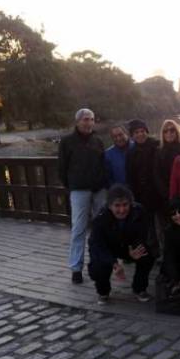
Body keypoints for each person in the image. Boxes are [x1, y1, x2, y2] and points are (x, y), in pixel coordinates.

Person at [58, 108, 107, 284]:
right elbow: (62, 169)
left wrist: (101, 182)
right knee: (78, 229)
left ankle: (101, 261)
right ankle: (76, 268)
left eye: (91, 119)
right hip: (79, 190)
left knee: (101, 227)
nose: (89, 123)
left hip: (99, 189)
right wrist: (72, 185)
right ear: (77, 122)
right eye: (85, 119)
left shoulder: (98, 141)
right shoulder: (67, 142)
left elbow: (103, 164)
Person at [87, 184, 157, 304]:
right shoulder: (100, 218)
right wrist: (114, 263)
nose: (122, 210)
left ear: (131, 203)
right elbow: (97, 246)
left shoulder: (139, 211)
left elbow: (143, 234)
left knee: (147, 255)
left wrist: (134, 250)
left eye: (125, 205)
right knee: (98, 267)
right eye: (117, 206)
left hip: (128, 245)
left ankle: (139, 288)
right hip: (107, 248)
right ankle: (103, 291)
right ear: (109, 206)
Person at [126, 119, 159, 249]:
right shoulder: (131, 153)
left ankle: (166, 252)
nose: (140, 134)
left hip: (158, 192)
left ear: (147, 132)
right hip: (141, 195)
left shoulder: (157, 146)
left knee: (161, 224)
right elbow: (130, 176)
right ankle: (153, 251)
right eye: (136, 132)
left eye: (142, 131)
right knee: (148, 225)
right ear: (132, 136)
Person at [153, 120, 180, 249]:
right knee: (167, 228)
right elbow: (156, 175)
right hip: (165, 196)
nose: (169, 133)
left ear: (177, 131)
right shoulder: (159, 151)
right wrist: (167, 194)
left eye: (172, 130)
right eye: (166, 131)